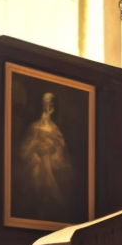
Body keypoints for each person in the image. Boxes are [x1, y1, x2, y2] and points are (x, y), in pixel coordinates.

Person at [14, 91, 75, 223]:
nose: (48, 107)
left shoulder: (55, 130)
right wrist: (37, 148)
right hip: (36, 168)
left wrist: (52, 151)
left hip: (52, 170)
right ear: (41, 106)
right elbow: (24, 153)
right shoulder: (35, 128)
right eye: (45, 104)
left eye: (51, 104)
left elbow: (63, 157)